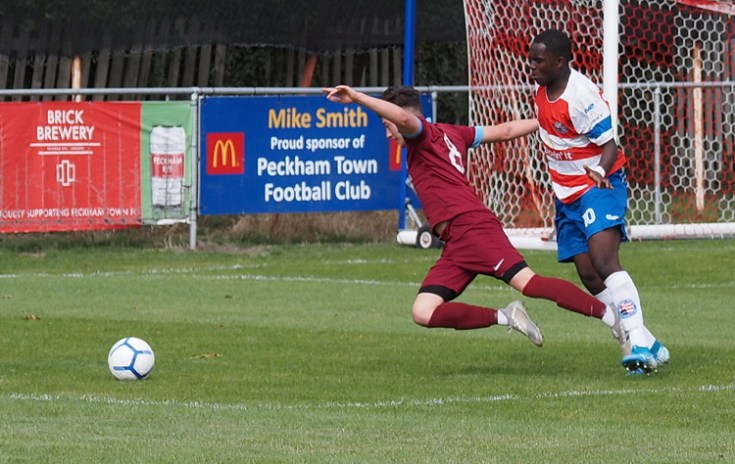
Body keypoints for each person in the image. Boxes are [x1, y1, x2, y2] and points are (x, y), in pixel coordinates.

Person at [323, 84, 625, 355]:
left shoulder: (421, 134)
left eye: (387, 125)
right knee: (423, 311)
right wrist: (545, 121)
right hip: (455, 241)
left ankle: (612, 318)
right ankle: (507, 316)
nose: (388, 134)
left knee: (529, 283)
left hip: (471, 226)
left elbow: (404, 121)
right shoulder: (453, 133)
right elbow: (504, 131)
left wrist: (359, 98)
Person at [528, 29, 669, 375]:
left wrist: (599, 172)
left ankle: (634, 339)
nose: (531, 66)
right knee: (589, 273)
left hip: (599, 186)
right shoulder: (541, 92)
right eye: (530, 59)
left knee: (605, 262)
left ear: (560, 62)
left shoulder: (581, 95)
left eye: (538, 60)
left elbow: (611, 146)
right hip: (566, 195)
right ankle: (648, 342)